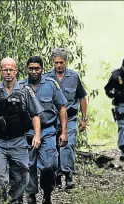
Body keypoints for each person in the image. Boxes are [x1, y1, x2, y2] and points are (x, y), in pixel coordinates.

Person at [0, 57, 43, 204]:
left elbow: (35, 115)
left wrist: (37, 135)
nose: (8, 72)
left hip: (18, 141)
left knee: (21, 177)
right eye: (5, 69)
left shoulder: (24, 91)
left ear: (16, 71)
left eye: (11, 69)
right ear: (0, 71)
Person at [19, 56, 68, 204]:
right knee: (28, 168)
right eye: (31, 68)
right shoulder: (20, 86)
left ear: (42, 69)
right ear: (27, 69)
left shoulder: (51, 85)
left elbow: (61, 108)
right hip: (26, 133)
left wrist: (64, 131)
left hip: (47, 131)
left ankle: (47, 197)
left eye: (37, 68)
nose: (34, 71)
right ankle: (31, 201)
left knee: (49, 166)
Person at [45, 47, 88, 189]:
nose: (58, 65)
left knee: (67, 144)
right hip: (52, 118)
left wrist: (84, 119)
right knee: (53, 147)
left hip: (70, 117)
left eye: (61, 62)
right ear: (52, 62)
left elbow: (82, 97)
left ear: (66, 62)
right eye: (56, 62)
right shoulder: (46, 78)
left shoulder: (74, 77)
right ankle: (56, 176)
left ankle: (68, 175)